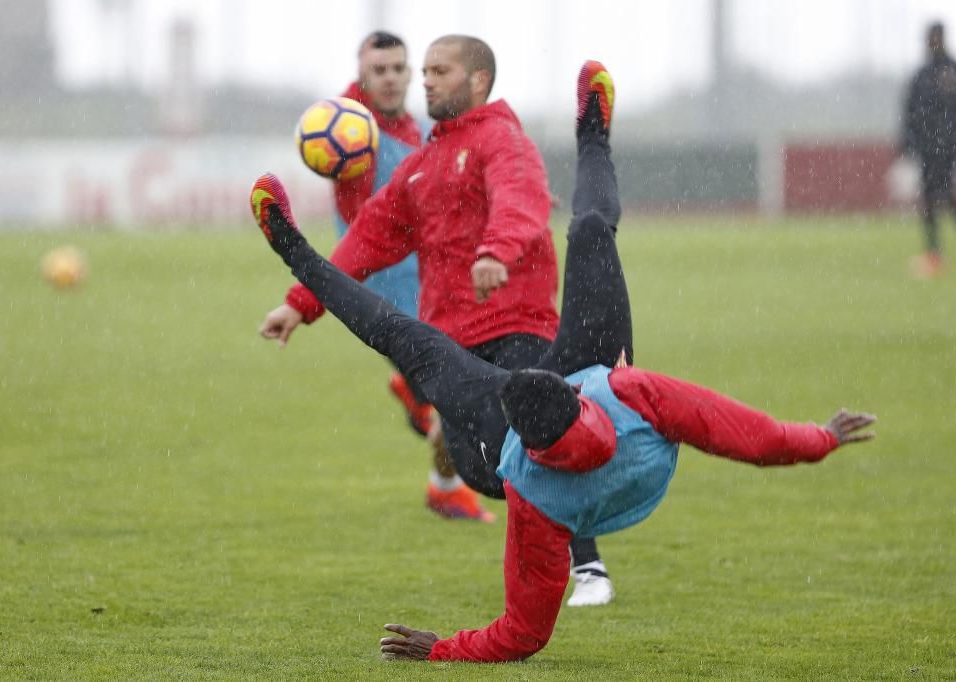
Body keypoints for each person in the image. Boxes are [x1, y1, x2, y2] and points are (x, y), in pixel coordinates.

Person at [250, 60, 877, 663]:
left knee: (402, 337)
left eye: (436, 71)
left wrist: (438, 649)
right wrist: (820, 438)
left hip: (499, 445)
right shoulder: (634, 395)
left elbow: (521, 634)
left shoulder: (532, 501)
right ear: (574, 393)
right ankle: (594, 137)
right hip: (597, 405)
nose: (423, 80)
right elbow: (747, 434)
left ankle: (286, 241)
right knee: (591, 232)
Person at [261, 34, 616, 606]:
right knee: (483, 471)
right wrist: (300, 304)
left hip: (516, 323)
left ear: (477, 81)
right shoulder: (423, 164)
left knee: (536, 443)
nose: (424, 80)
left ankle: (590, 569)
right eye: (423, 70)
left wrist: (496, 252)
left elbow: (520, 200)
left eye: (438, 70)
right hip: (447, 343)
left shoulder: (503, 140)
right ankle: (570, 491)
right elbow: (368, 239)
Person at [258, 32, 495, 523]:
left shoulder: (420, 132)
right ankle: (444, 481)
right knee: (461, 402)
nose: (389, 78)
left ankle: (437, 459)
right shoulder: (349, 129)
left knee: (463, 399)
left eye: (398, 68)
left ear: (411, 75)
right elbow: (357, 236)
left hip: (438, 286)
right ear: (362, 75)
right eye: (378, 70)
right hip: (383, 294)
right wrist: (300, 303)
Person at [902, 21, 956, 278]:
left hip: (950, 145)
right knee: (932, 196)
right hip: (928, 147)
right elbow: (909, 113)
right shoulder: (922, 75)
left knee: (943, 191)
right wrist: (907, 142)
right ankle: (938, 253)